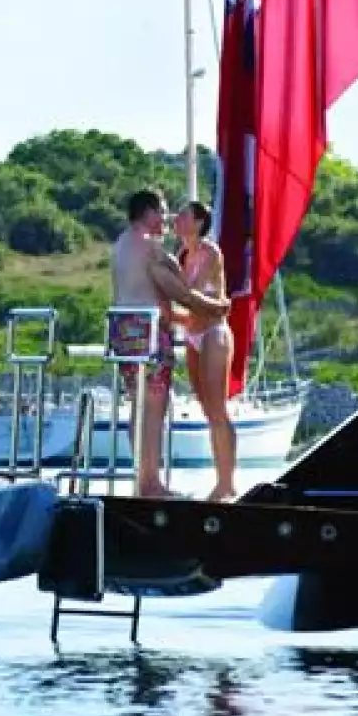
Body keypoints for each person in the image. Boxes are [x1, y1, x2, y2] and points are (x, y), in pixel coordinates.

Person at [110, 189, 231, 498]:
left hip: (122, 328)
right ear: (148, 213)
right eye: (162, 212)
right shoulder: (151, 249)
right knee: (155, 405)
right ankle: (151, 483)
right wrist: (216, 308)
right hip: (146, 330)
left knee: (138, 404)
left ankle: (143, 479)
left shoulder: (122, 243)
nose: (165, 218)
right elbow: (181, 291)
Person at [172, 200, 237, 502]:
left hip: (213, 332)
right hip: (193, 332)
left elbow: (191, 292)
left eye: (184, 215)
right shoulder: (183, 255)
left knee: (217, 408)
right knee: (206, 408)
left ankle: (226, 482)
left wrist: (167, 286)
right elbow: (186, 304)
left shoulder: (210, 252)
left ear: (198, 222)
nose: (177, 218)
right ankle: (221, 477)